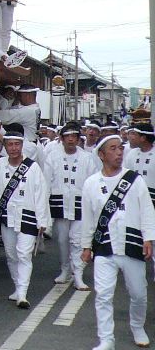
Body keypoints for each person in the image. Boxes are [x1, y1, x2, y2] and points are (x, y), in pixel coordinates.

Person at [81, 134, 155, 350]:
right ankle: (106, 339)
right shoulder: (91, 183)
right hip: (104, 245)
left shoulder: (134, 180)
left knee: (138, 293)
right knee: (103, 294)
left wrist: (148, 238)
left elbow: (147, 210)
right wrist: (86, 246)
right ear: (102, 155)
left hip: (132, 243)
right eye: (113, 149)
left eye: (120, 148)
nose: (119, 153)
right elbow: (88, 218)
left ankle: (137, 326)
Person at [0, 123, 49, 309]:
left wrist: (43, 220)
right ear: (5, 146)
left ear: (22, 145)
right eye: (10, 144)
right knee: (11, 255)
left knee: (24, 254)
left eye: (16, 144)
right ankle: (17, 287)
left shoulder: (32, 168)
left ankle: (22, 293)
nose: (13, 148)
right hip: (7, 216)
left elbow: (41, 194)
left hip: (28, 216)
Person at [45, 121, 99, 289]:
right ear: (61, 139)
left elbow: (93, 183)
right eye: (67, 136)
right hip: (60, 203)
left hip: (80, 203)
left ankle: (78, 274)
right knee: (62, 240)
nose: (70, 140)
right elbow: (46, 182)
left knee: (77, 240)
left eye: (74, 136)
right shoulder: (52, 156)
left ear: (78, 139)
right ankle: (65, 269)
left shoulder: (87, 158)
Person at [123, 122, 155, 278]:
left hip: (152, 200)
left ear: (143, 138)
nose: (130, 137)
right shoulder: (131, 154)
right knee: (133, 233)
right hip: (133, 200)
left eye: (134, 134)